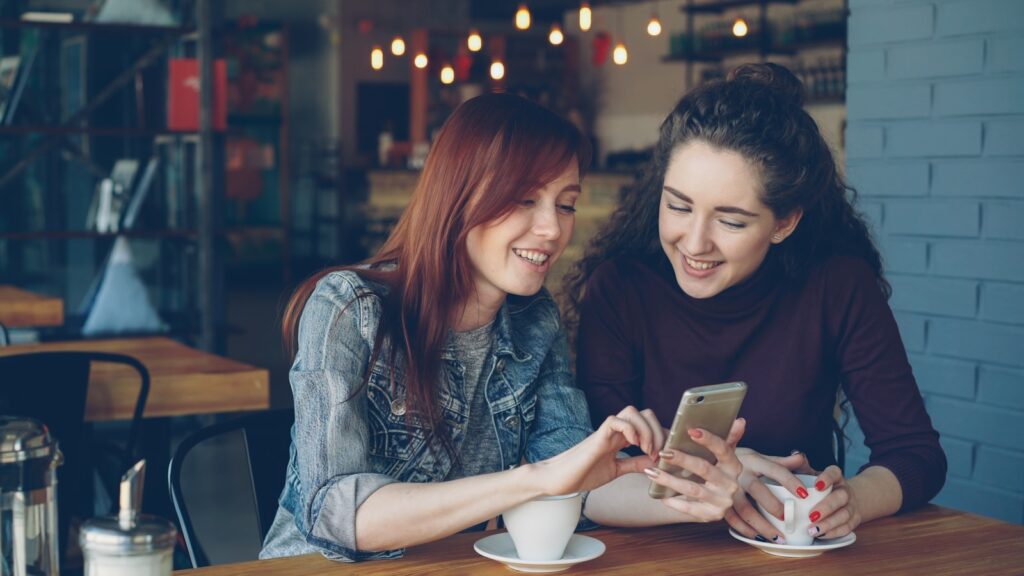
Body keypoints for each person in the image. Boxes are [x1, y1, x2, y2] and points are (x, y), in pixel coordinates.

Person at [260, 93, 745, 562]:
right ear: (458, 195)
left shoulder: (534, 320)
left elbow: (576, 485)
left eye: (565, 203)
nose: (553, 229)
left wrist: (717, 488)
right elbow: (336, 513)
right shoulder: (350, 309)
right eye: (524, 199)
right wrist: (532, 480)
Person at [565, 63, 947, 545]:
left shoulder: (837, 286)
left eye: (731, 221)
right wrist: (725, 477)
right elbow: (594, 471)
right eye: (678, 206)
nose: (695, 243)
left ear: (784, 222)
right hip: (655, 556)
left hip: (790, 552)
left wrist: (848, 502)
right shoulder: (620, 289)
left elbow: (914, 454)